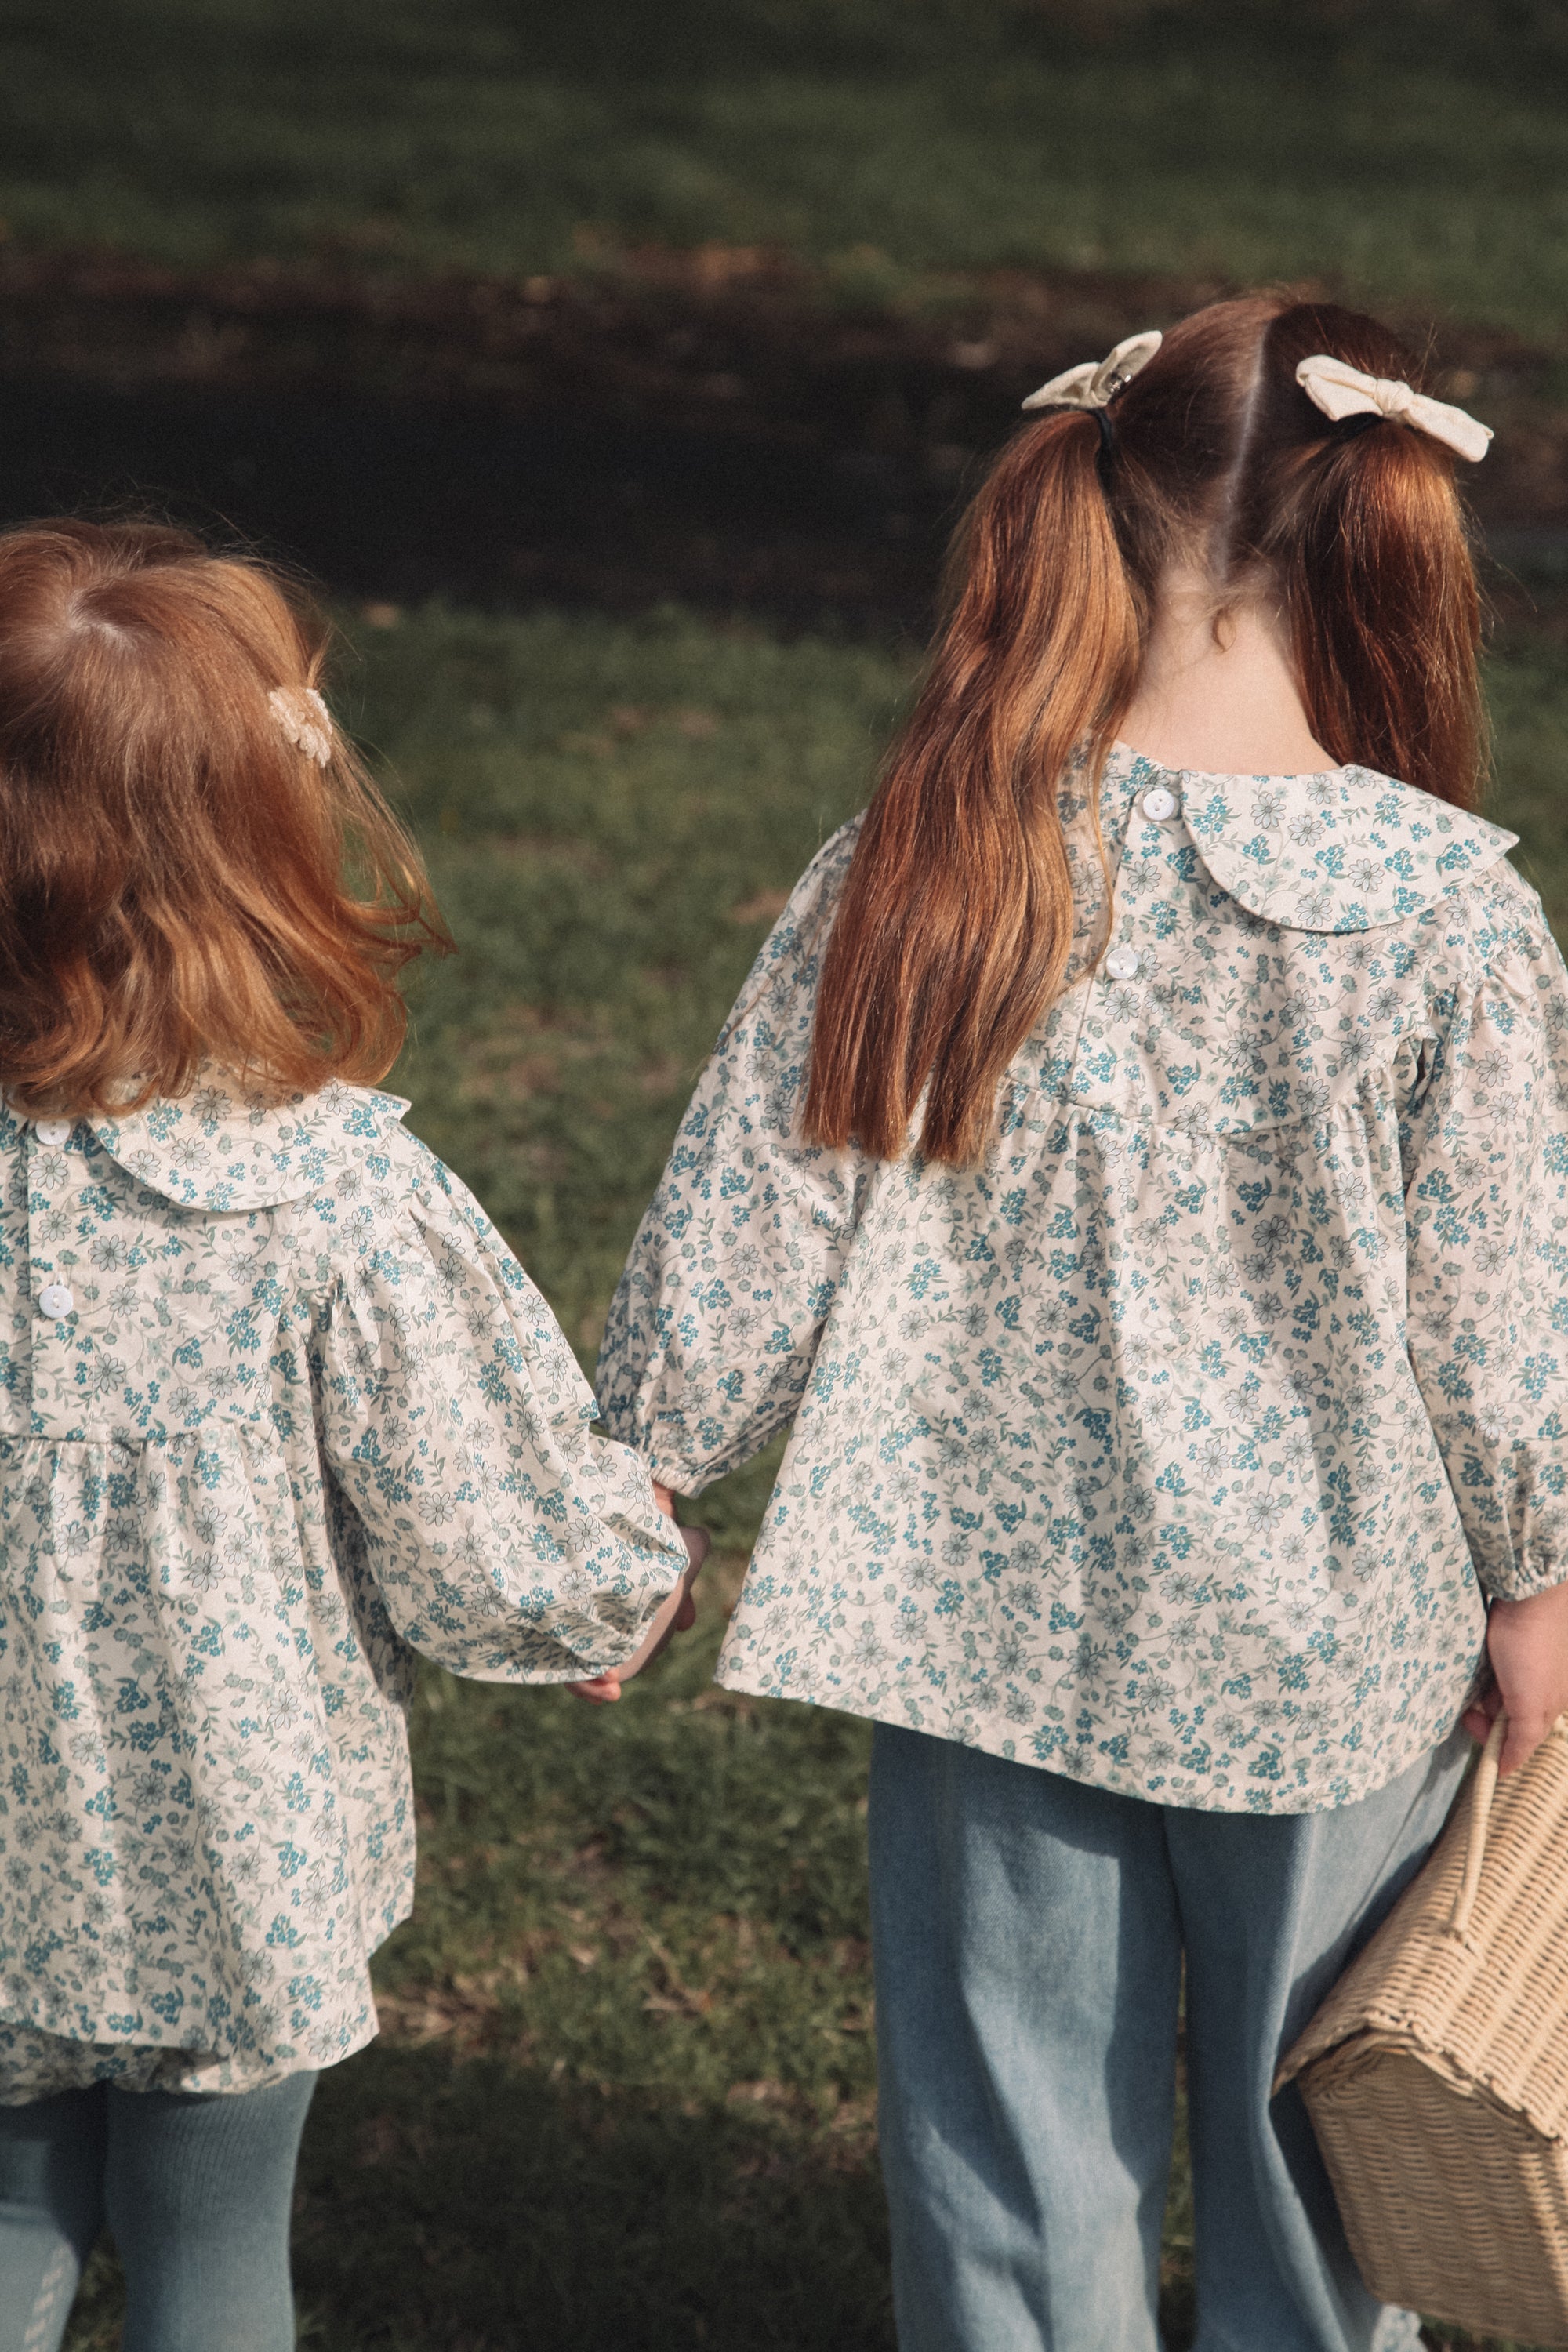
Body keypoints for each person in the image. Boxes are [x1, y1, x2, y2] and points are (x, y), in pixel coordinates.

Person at [596, 295, 1568, 2352]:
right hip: (1329, 1652)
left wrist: (646, 1473)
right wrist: (1537, 1569)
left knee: (1007, 2146)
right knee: (1323, 2165)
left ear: (1103, 501)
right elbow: (1504, 1316)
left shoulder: (930, 853)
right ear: (1380, 531)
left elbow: (755, 1208)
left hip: (978, 1618)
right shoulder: (1448, 915)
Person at [0, 520, 703, 2352]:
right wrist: (625, 1583)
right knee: (213, 2256)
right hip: (226, 1865)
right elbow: (492, 1547)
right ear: (259, 842)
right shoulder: (333, 1200)